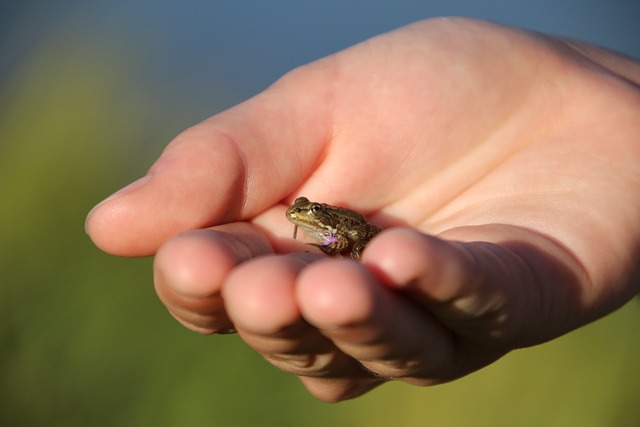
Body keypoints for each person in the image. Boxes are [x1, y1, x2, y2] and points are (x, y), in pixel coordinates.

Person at [85, 17, 640, 402]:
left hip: (361, 236)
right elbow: (324, 224)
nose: (299, 215)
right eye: (300, 212)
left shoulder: (330, 225)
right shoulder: (312, 215)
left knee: (362, 272)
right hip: (355, 235)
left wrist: (585, 85)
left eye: (305, 214)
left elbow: (347, 236)